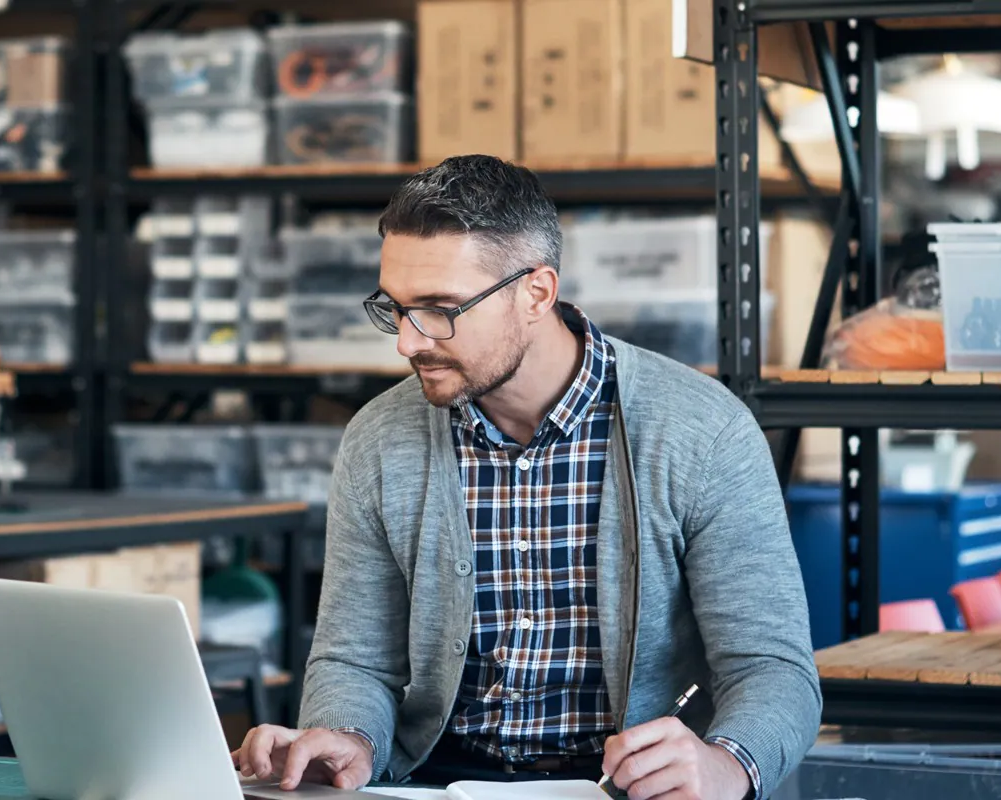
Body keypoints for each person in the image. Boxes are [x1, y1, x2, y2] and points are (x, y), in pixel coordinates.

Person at [231, 155, 819, 800]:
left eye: (439, 309)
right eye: (395, 308)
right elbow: (354, 659)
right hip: (438, 782)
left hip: (626, 788)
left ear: (536, 293)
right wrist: (348, 735)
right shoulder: (379, 439)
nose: (407, 342)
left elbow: (772, 670)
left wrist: (726, 764)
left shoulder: (703, 431)